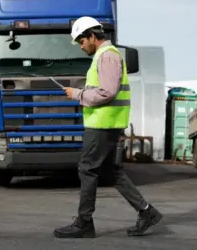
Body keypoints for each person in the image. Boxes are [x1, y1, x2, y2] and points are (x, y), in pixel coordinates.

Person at [53, 16, 163, 238]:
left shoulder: (108, 56)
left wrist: (78, 94)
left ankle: (84, 223)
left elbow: (108, 91)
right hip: (107, 122)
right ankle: (146, 212)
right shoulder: (105, 56)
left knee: (87, 169)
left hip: (103, 124)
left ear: (93, 36)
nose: (80, 45)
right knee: (110, 171)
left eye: (81, 41)